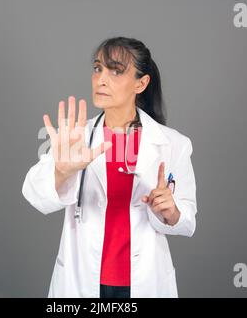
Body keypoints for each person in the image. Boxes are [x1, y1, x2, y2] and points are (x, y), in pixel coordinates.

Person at [22, 37, 197, 298]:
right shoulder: (76, 136)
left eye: (116, 71)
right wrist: (62, 171)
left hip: (145, 281)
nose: (101, 79)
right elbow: (34, 194)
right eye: (97, 68)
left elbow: (188, 221)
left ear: (141, 83)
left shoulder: (173, 144)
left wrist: (171, 211)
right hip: (81, 280)